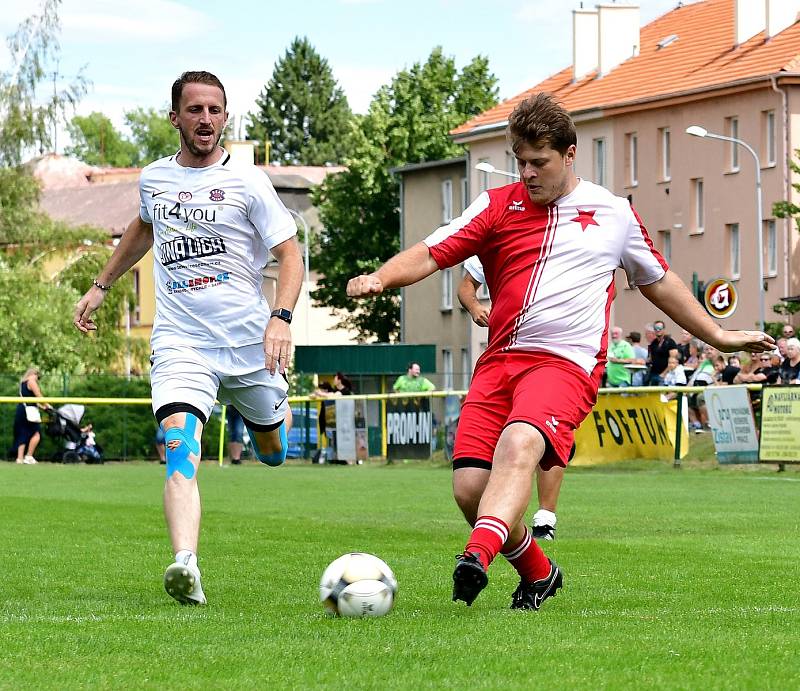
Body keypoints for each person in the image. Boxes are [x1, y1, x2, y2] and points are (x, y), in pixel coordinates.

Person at [346, 92, 772, 610]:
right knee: (469, 489)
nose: (527, 173)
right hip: (500, 361)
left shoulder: (613, 213)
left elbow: (661, 283)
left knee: (521, 443)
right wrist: (381, 278)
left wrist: (720, 337)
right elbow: (434, 251)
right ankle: (539, 572)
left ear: (570, 155)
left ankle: (475, 558)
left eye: (539, 162)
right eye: (520, 162)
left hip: (565, 365)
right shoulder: (497, 205)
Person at [72, 71, 303, 606]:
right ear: (175, 117)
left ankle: (270, 416)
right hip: (181, 341)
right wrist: (102, 285)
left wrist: (282, 317)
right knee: (180, 446)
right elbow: (145, 226)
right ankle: (185, 565)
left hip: (249, 341)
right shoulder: (154, 178)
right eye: (195, 110)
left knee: (272, 452)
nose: (206, 119)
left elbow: (289, 252)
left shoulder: (248, 181)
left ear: (225, 117)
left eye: (215, 110)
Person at [458, 256, 563, 540]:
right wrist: (475, 306)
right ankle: (509, 528)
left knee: (541, 439)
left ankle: (545, 517)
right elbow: (467, 285)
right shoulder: (502, 227)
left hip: (556, 359)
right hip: (503, 357)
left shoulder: (578, 228)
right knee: (474, 479)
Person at [13, 368, 50, 464]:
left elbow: (32, 400)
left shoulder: (22, 383)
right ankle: (29, 456)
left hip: (22, 409)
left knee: (23, 433)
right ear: (35, 374)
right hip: (29, 412)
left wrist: (43, 407)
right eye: (38, 377)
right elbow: (38, 395)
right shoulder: (31, 381)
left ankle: (19, 458)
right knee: (36, 433)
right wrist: (48, 405)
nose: (38, 380)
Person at [646, 320, 677, 385]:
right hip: (653, 374)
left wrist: (664, 374)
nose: (658, 330)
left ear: (664, 329)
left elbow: (673, 361)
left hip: (665, 375)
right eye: (656, 328)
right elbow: (650, 358)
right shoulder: (653, 343)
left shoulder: (670, 342)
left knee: (662, 395)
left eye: (660, 328)